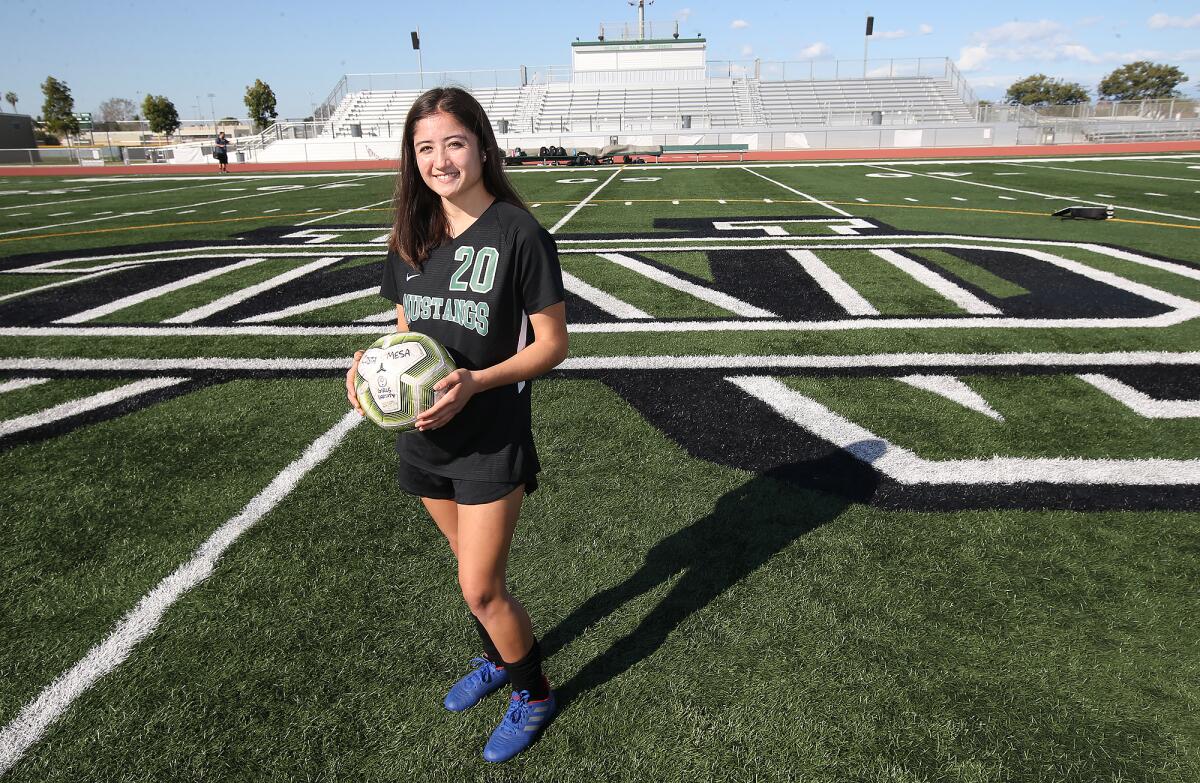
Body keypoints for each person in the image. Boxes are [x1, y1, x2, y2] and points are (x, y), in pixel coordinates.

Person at [344, 87, 567, 763]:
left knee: (481, 585)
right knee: (465, 567)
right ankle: (497, 657)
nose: (440, 159)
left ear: (483, 147)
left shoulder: (519, 234)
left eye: (454, 143)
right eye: (424, 147)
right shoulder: (411, 236)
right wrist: (372, 371)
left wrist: (475, 382)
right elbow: (407, 332)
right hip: (425, 436)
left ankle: (533, 692)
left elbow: (552, 345)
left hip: (491, 437)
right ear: (411, 160)